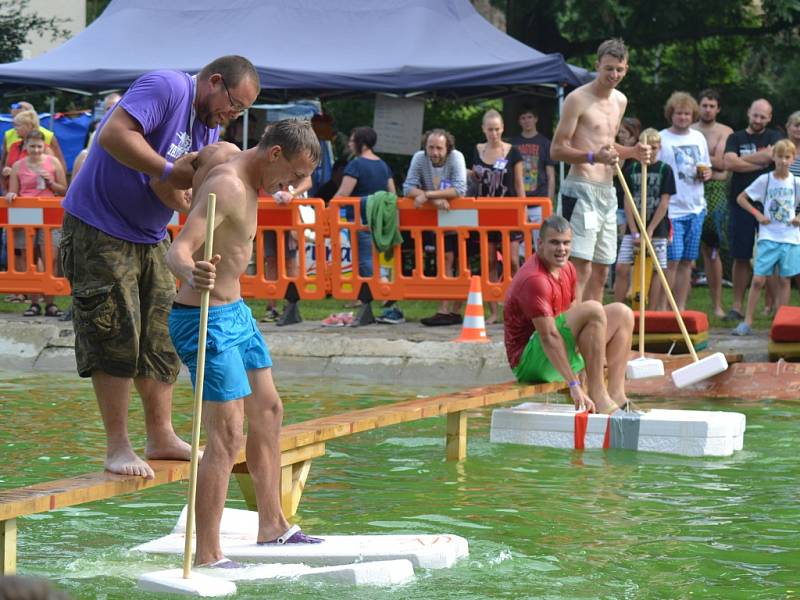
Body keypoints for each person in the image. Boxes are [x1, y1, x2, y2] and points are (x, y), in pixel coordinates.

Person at [59, 55, 260, 480]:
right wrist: (171, 170)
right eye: (234, 105)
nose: (232, 116)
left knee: (159, 335)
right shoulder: (168, 87)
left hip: (149, 236)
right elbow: (114, 135)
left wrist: (183, 201)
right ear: (216, 82)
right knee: (114, 332)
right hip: (98, 225)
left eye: (240, 112)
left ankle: (161, 435)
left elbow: (159, 185)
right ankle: (118, 446)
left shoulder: (207, 126)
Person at [166, 119, 322, 568]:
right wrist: (190, 271)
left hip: (235, 312)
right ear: (273, 154)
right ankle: (208, 554)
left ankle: (272, 525)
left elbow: (194, 161)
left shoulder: (230, 154)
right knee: (226, 434)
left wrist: (185, 169)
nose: (291, 186)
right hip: (203, 317)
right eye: (291, 175)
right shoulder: (229, 186)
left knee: (269, 410)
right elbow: (178, 250)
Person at [551, 38, 650, 303]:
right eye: (608, 69)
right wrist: (593, 156)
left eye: (619, 69)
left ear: (626, 68)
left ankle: (592, 331)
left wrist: (634, 152)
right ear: (597, 66)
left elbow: (608, 146)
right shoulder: (576, 99)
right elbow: (557, 150)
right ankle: (571, 329)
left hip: (607, 193)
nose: (613, 75)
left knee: (602, 269)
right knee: (580, 267)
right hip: (580, 188)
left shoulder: (620, 100)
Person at [503, 215, 634, 414]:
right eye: (554, 242)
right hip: (529, 362)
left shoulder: (569, 269)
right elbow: (549, 337)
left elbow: (573, 318)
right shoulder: (534, 279)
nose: (561, 249)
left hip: (556, 350)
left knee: (623, 313)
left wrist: (580, 359)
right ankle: (599, 394)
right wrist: (573, 384)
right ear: (540, 244)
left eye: (566, 243)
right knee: (593, 308)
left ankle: (616, 393)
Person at [731, 140, 800, 336]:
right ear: (773, 158)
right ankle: (747, 321)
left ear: (793, 159)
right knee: (758, 279)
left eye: (788, 157)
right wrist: (758, 214)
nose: (783, 161)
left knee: (785, 279)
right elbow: (741, 198)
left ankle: (780, 321)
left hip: (790, 237)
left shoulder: (796, 182)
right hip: (769, 235)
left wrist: (798, 217)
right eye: (780, 157)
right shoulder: (765, 180)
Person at [723, 99, 783, 321]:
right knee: (741, 255)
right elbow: (729, 163)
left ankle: (777, 307)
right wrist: (759, 162)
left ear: (769, 117)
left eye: (763, 117)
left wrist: (741, 160)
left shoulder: (775, 138)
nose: (758, 120)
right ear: (748, 112)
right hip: (741, 204)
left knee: (774, 255)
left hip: (770, 206)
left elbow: (772, 156)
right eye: (755, 115)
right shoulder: (735, 137)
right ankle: (737, 306)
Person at [403, 128, 468, 326]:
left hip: (464, 216)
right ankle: (444, 309)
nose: (434, 152)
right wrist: (436, 200)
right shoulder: (419, 158)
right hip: (440, 217)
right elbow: (407, 187)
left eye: (439, 148)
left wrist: (429, 196)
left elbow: (459, 189)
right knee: (446, 258)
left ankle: (454, 310)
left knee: (462, 262)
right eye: (430, 147)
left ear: (448, 148)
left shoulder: (456, 157)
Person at [333, 127, 398, 321]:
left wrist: (328, 208)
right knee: (376, 259)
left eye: (352, 140)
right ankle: (370, 296)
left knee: (364, 261)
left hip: (360, 220)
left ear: (361, 142)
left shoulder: (356, 165)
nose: (350, 144)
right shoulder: (383, 164)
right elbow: (392, 193)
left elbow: (343, 194)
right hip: (381, 221)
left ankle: (384, 294)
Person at [657, 92, 711, 311]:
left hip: (696, 206)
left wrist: (707, 174)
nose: (682, 117)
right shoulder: (662, 138)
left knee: (688, 261)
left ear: (693, 115)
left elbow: (706, 165)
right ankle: (662, 310)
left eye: (687, 113)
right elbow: (655, 170)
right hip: (672, 208)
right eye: (679, 113)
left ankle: (679, 309)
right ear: (671, 114)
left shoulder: (698, 137)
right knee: (671, 261)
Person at [4, 130, 68, 317]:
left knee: (51, 258)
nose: (36, 150)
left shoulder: (53, 163)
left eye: (39, 146)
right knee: (29, 259)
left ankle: (50, 304)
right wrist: (11, 195)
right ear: (26, 147)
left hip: (49, 213)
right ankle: (33, 304)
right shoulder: (18, 165)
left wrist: (51, 183)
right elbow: (13, 192)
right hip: (26, 214)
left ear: (44, 146)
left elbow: (64, 190)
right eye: (32, 146)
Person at [470, 109, 525, 323]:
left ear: (503, 128)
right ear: (484, 129)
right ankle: (493, 311)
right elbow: (474, 178)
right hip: (484, 213)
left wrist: (523, 211)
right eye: (490, 129)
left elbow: (519, 184)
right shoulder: (477, 150)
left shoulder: (514, 152)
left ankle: (517, 305)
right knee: (489, 261)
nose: (494, 133)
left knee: (512, 260)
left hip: (508, 212)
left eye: (497, 129)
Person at [612, 128, 674, 307]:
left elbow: (664, 202)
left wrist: (650, 229)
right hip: (634, 228)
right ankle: (618, 307)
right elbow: (628, 201)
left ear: (659, 148)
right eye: (646, 147)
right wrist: (633, 231)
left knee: (657, 270)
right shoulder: (632, 169)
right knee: (622, 267)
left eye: (654, 148)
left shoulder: (665, 170)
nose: (650, 151)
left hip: (657, 228)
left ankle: (652, 312)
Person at [692, 89, 733, 318]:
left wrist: (705, 160)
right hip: (688, 190)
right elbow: (714, 161)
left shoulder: (725, 131)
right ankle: (678, 305)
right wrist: (712, 160)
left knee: (712, 247)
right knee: (685, 252)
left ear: (718, 108)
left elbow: (724, 163)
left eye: (711, 106)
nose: (707, 109)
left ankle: (717, 304)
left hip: (715, 190)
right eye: (704, 105)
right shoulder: (690, 129)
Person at [1, 101, 67, 180]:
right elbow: (3, 163)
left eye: (19, 118)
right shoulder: (8, 135)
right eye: (13, 118)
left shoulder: (48, 135)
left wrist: (60, 182)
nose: (14, 124)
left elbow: (59, 163)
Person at [510, 107, 556, 202]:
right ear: (519, 121)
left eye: (529, 117)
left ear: (536, 119)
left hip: (540, 199)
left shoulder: (546, 143)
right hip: (517, 199)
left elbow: (551, 176)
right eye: (523, 118)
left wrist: (549, 202)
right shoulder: (512, 144)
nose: (526, 121)